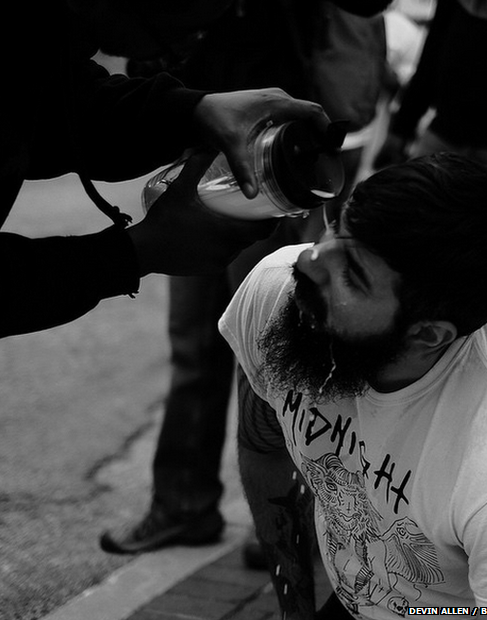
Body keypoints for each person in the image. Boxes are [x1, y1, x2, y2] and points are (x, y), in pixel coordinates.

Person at [0, 0, 339, 390]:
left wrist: (191, 111)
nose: (211, 26)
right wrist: (134, 253)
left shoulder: (22, 25)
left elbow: (56, 103)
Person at [99, 0, 390, 556]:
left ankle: (285, 518)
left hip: (275, 159)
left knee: (275, 350)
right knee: (195, 345)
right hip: (200, 145)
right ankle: (183, 502)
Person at [219, 152, 487, 616]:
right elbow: (263, 445)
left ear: (427, 334)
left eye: (353, 275)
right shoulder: (278, 292)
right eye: (335, 227)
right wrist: (295, 610)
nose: (310, 262)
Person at [373, 0, 487, 340]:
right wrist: (402, 127)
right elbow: (434, 51)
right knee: (412, 236)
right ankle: (405, 326)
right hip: (445, 132)